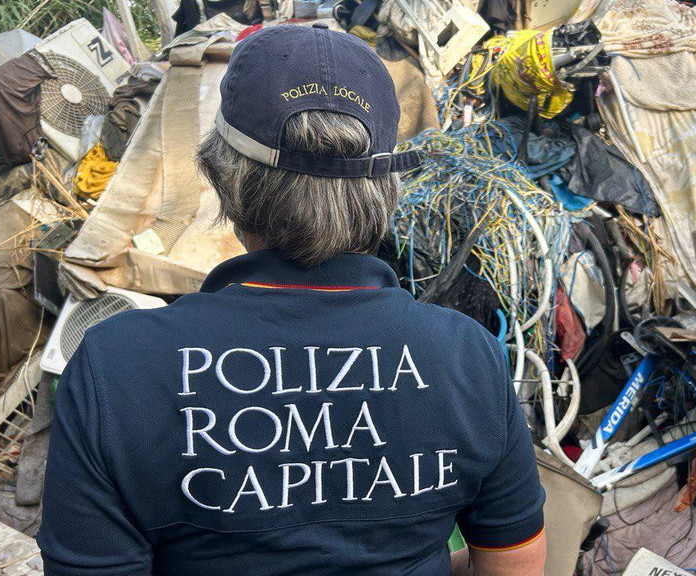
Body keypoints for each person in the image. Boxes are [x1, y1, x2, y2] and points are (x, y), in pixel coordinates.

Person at [37, 25, 546, 576]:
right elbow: (514, 564)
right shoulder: (467, 355)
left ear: (223, 176)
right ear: (385, 187)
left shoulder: (117, 367)